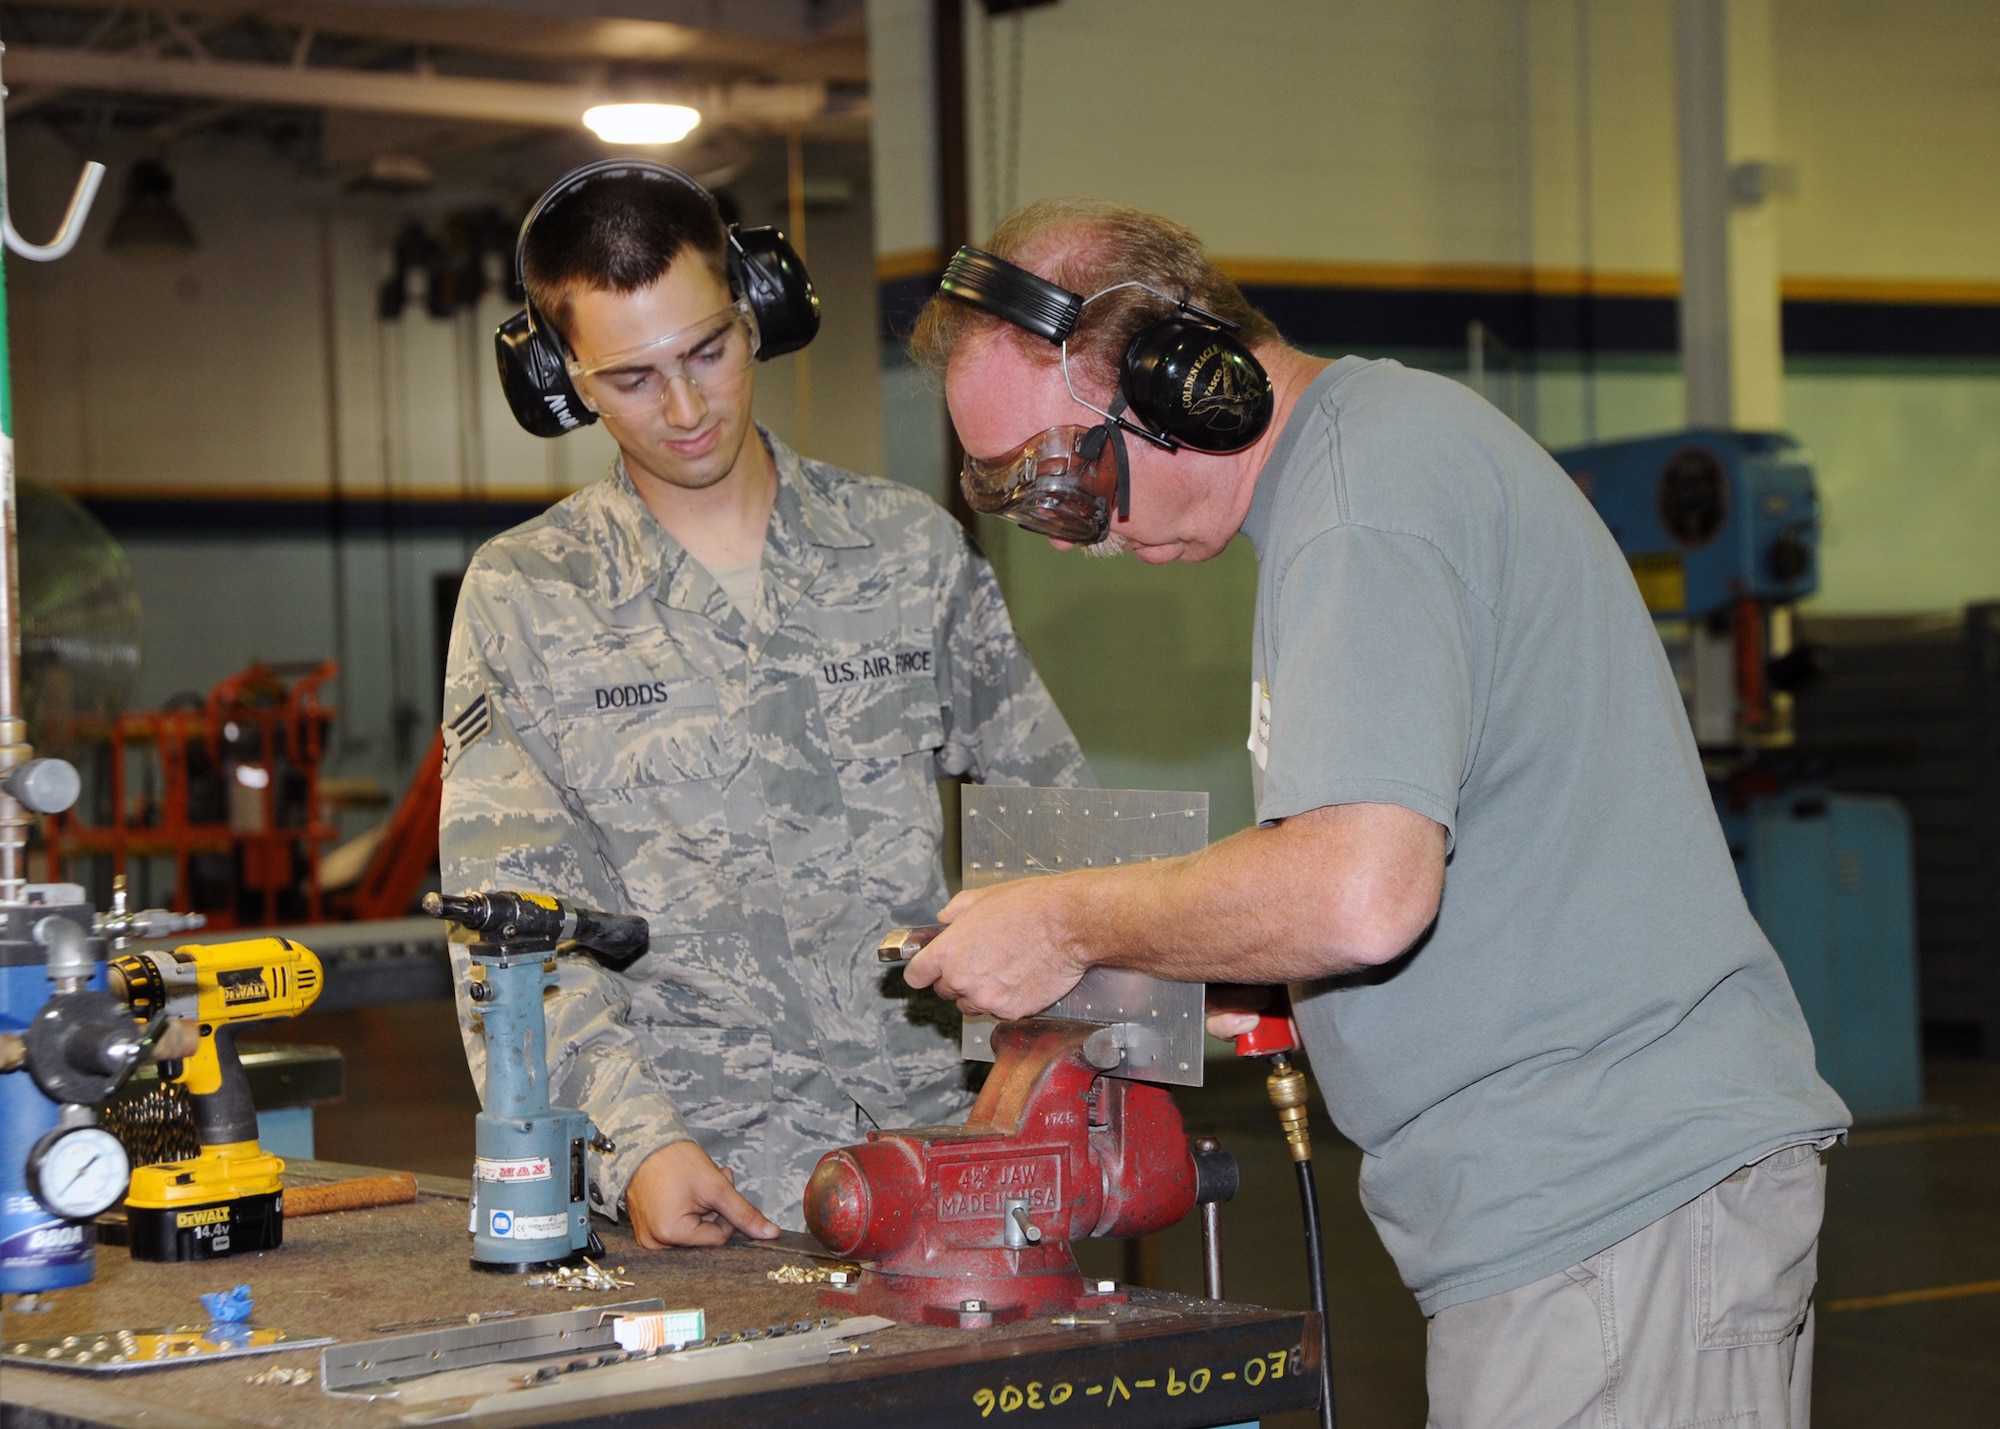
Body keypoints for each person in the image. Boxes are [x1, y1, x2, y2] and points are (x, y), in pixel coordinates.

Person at [903, 199, 1849, 1428]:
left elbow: (1360, 889)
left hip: (1609, 1210)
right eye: (1028, 502)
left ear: (1186, 382)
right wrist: (1238, 961)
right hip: (1588, 1216)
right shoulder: (1368, 466)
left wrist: (1066, 923)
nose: (1071, 533)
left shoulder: (1361, 508)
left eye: (1066, 475)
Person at [438, 164, 1088, 1252]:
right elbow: (512, 932)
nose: (687, 409)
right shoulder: (526, 598)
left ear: (760, 315)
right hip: (704, 1188)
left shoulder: (906, 550)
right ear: (562, 380)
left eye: (708, 351)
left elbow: (1058, 830)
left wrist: (1053, 1077)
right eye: (634, 378)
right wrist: (632, 1144)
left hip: (949, 1167)